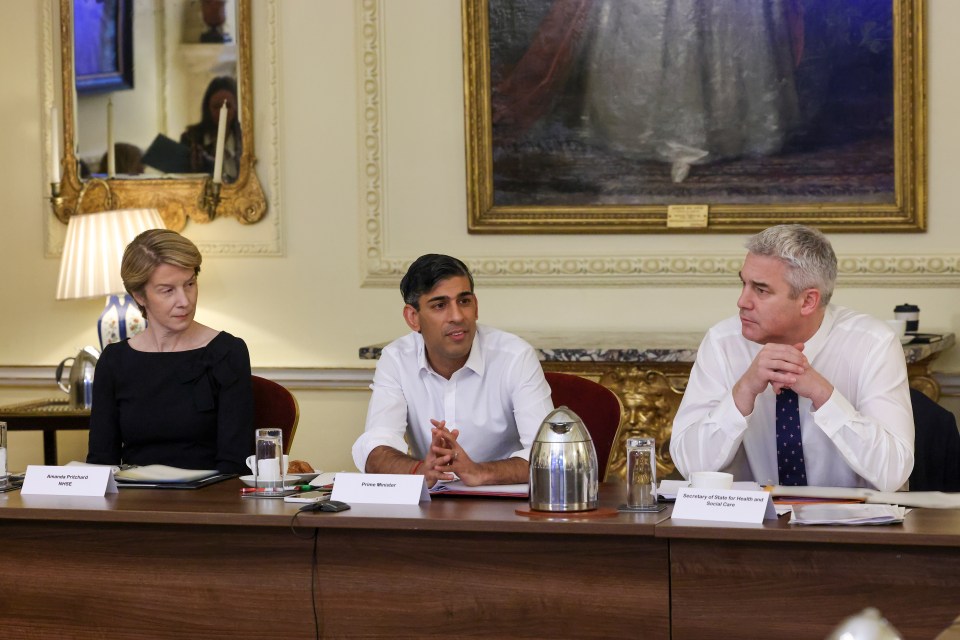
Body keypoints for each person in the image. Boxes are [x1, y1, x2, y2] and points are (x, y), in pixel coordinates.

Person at [670, 224, 913, 492]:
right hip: (752, 525)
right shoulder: (723, 343)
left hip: (850, 526)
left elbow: (894, 472)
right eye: (744, 283)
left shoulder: (872, 344)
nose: (742, 301)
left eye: (761, 290)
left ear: (808, 301)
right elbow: (688, 465)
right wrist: (743, 391)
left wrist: (825, 396)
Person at [352, 254, 554, 487]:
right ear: (413, 317)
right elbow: (374, 446)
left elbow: (547, 455)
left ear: (476, 306)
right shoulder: (396, 359)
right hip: (429, 508)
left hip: (502, 507)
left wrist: (479, 472)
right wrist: (418, 470)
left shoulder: (515, 357)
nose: (457, 316)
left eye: (464, 301)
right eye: (440, 305)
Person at [86, 229, 254, 474]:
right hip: (134, 503)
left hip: (209, 503)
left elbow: (236, 464)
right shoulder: (114, 361)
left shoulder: (227, 352)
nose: (184, 301)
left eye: (190, 284)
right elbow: (101, 463)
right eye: (167, 290)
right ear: (139, 295)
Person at [179, 76, 241, 183]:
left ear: (236, 108)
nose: (222, 112)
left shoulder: (244, 137)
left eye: (228, 106)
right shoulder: (191, 138)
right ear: (208, 108)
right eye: (216, 107)